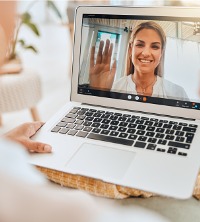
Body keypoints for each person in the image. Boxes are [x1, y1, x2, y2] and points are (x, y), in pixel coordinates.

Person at [89, 21, 188, 100]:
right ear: (131, 49)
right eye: (140, 45)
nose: (146, 53)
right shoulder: (114, 88)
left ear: (161, 53)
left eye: (155, 47)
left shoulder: (178, 93)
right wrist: (98, 95)